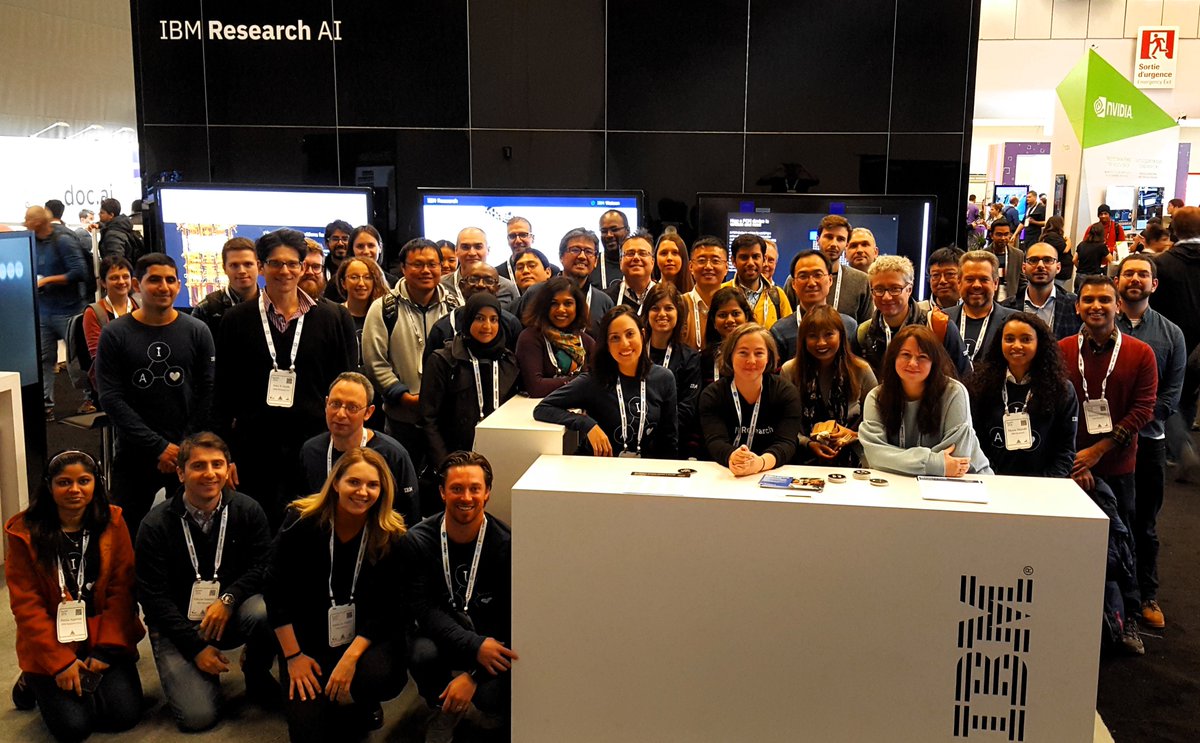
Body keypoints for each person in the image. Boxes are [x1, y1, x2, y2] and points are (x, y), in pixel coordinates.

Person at [214, 229, 358, 526]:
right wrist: (225, 454)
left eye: (292, 263)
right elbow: (224, 393)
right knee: (258, 527)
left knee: (312, 527)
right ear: (263, 266)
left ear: (303, 266)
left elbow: (347, 384)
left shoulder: (332, 318)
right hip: (254, 447)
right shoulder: (236, 320)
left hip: (316, 443)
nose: (285, 271)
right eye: (276, 263)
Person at [136, 433, 277, 732]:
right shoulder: (154, 525)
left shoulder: (248, 510)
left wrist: (229, 599)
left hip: (229, 613)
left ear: (228, 469)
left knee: (264, 610)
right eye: (199, 466)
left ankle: (255, 669)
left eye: (218, 464)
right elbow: (153, 597)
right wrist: (195, 648)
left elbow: (263, 565)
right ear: (180, 472)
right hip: (178, 624)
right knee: (198, 719)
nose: (210, 473)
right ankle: (202, 669)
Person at [270, 447, 409, 742]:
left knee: (377, 676)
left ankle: (359, 697)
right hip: (306, 642)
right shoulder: (300, 521)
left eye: (373, 485)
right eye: (354, 482)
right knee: (308, 734)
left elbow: (389, 607)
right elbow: (276, 591)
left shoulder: (389, 533)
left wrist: (351, 658)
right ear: (335, 483)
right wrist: (294, 656)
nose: (363, 492)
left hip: (362, 639)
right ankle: (333, 696)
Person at [6, 450, 144, 742]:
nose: (75, 490)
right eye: (63, 482)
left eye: (84, 480)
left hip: (102, 633)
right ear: (49, 486)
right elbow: (27, 607)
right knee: (74, 729)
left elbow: (122, 591)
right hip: (52, 640)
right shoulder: (25, 533)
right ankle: (33, 681)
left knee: (123, 716)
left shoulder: (113, 522)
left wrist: (106, 650)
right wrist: (59, 663)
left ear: (97, 483)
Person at [96, 253, 214, 538]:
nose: (164, 287)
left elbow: (207, 391)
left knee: (192, 531)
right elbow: (111, 398)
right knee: (121, 532)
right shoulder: (115, 334)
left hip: (186, 452)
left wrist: (181, 447)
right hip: (135, 451)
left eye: (171, 280)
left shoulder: (197, 330)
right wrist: (158, 446)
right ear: (137, 284)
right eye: (155, 280)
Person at [401, 452, 516, 741]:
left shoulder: (506, 544)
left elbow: (512, 617)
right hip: (444, 632)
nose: (466, 497)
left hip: (492, 641)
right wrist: (471, 645)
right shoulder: (418, 540)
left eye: (475, 488)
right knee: (421, 653)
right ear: (442, 492)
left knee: (492, 697)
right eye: (456, 488)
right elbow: (423, 609)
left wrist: (474, 675)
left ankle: (487, 700)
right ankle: (444, 706)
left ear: (487, 493)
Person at [1115, 255, 1186, 630]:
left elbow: (1171, 398)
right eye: (1129, 273)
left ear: (1153, 285)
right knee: (1110, 518)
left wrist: (1126, 423)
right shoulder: (1099, 324)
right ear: (1117, 280)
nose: (1136, 280)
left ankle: (1147, 594)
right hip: (1105, 444)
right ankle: (1112, 595)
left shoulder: (1172, 334)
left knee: (1144, 522)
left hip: (1147, 441)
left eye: (1143, 274)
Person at [535, 306, 678, 458]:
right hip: (599, 471)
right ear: (607, 345)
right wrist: (587, 424)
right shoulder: (593, 381)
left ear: (642, 335)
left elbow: (669, 439)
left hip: (643, 473)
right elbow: (543, 408)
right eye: (615, 338)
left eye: (630, 334)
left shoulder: (663, 379)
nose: (624, 344)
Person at [364, 238, 460, 464]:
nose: (426, 270)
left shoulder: (456, 306)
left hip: (445, 417)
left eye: (432, 264)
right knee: (402, 480)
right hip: (402, 417)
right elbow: (374, 361)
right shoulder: (384, 308)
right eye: (417, 264)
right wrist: (403, 396)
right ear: (403, 268)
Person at [859, 325, 992, 476]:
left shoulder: (954, 393)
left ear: (934, 362)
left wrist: (894, 461)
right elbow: (874, 455)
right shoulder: (876, 397)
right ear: (893, 358)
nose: (913, 363)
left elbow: (956, 457)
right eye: (906, 355)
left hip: (967, 479)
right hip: (904, 482)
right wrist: (935, 463)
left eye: (922, 357)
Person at [299, 372, 420, 528]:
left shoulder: (392, 455)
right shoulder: (311, 450)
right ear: (326, 404)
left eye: (352, 407)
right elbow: (300, 507)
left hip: (377, 545)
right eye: (335, 404)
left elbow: (409, 520)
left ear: (368, 412)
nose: (341, 414)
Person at [966, 313, 1078, 477]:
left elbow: (1065, 451)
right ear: (1000, 342)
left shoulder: (1062, 390)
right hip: (992, 482)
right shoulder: (980, 385)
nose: (1017, 346)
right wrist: (991, 477)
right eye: (1009, 339)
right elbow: (975, 441)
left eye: (1026, 339)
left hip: (1044, 487)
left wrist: (1044, 484)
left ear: (1040, 343)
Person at [420, 293, 520, 467]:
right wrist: (445, 464)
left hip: (501, 456)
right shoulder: (443, 360)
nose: (487, 326)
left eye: (494, 319)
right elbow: (428, 419)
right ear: (467, 320)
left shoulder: (508, 360)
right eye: (479, 318)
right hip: (453, 458)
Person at [699, 323, 801, 474]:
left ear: (769, 357)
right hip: (725, 473)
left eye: (759, 353)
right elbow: (715, 441)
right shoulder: (712, 395)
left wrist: (759, 463)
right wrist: (733, 457)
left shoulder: (785, 392)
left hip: (771, 472)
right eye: (743, 353)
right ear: (730, 355)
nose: (751, 361)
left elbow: (786, 442)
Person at [782, 306, 877, 467]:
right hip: (800, 462)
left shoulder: (861, 370)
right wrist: (808, 443)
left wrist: (852, 435)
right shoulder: (790, 371)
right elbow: (783, 423)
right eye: (812, 336)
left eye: (829, 334)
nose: (821, 343)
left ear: (841, 335)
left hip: (854, 462)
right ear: (803, 339)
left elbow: (877, 420)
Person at [854, 255, 971, 378]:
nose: (886, 297)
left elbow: (965, 377)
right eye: (879, 289)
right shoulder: (863, 333)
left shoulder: (938, 326)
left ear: (909, 289)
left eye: (895, 289)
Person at [26, 205, 87, 419]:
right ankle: (46, 405)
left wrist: (48, 280)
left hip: (68, 310)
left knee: (77, 357)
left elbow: (80, 272)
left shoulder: (63, 241)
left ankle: (90, 397)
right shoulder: (34, 242)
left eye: (28, 221)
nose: (25, 224)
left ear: (38, 222)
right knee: (45, 358)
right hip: (44, 310)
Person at [512, 228, 614, 338]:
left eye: (589, 252)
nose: (582, 257)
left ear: (596, 261)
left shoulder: (604, 302)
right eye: (575, 250)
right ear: (561, 257)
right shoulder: (536, 293)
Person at [423, 261, 522, 366]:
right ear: (462, 286)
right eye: (473, 279)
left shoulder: (511, 324)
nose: (480, 285)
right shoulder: (444, 327)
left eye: (489, 281)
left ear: (497, 289)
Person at [640, 282, 701, 444]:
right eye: (655, 308)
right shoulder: (634, 352)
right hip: (633, 434)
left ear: (678, 313)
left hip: (671, 442)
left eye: (668, 308)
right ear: (647, 312)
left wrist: (657, 433)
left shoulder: (690, 358)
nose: (662, 314)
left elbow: (687, 408)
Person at [770, 250, 858, 361]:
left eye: (818, 275)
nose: (811, 283)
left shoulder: (848, 326)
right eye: (803, 276)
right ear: (793, 284)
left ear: (830, 280)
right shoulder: (780, 331)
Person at [516, 276, 596, 397]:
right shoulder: (530, 338)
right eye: (554, 303)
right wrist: (582, 380)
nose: (561, 309)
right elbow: (536, 387)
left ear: (577, 307)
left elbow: (598, 381)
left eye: (568, 303)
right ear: (544, 306)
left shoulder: (587, 342)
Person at [787, 214, 872, 323]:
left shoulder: (861, 281)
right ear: (818, 240)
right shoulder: (797, 280)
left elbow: (865, 330)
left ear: (846, 245)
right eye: (829, 237)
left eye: (840, 239)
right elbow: (787, 323)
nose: (833, 244)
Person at [943, 251, 1018, 365]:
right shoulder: (942, 319)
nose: (976, 285)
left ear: (996, 283)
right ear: (959, 282)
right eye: (970, 279)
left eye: (984, 279)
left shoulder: (1014, 321)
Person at [81, 255, 139, 402]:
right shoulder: (94, 312)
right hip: (109, 381)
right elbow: (98, 355)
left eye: (125, 276)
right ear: (103, 283)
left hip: (141, 375)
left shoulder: (140, 306)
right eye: (114, 278)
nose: (121, 282)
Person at [1001, 242, 1079, 341]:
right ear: (1024, 268)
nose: (1040, 265)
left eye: (1048, 260)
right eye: (1033, 260)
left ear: (1058, 267)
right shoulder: (1006, 307)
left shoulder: (1074, 305)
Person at [191, 237, 261, 341]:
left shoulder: (272, 305)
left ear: (259, 266)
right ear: (224, 269)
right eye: (234, 265)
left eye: (248, 264)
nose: (242, 271)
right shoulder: (206, 308)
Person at [722, 233, 791, 329]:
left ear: (763, 259)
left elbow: (788, 334)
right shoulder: (721, 292)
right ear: (733, 261)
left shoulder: (778, 296)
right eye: (744, 257)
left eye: (755, 257)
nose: (750, 263)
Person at [441, 227, 519, 310]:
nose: (472, 253)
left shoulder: (507, 287)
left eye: (478, 247)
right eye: (465, 247)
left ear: (488, 250)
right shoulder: (442, 285)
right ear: (456, 250)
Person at [336, 256, 388, 362]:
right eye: (354, 277)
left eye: (367, 277)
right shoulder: (335, 316)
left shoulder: (385, 316)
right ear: (343, 283)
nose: (361, 283)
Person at [699, 286, 754, 388]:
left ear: (746, 317)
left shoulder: (759, 355)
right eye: (723, 315)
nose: (730, 320)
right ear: (713, 322)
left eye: (735, 314)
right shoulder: (703, 361)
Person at [682, 236, 728, 350]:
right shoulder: (680, 305)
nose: (708, 267)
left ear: (726, 268)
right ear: (691, 267)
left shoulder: (734, 306)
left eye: (715, 261)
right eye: (701, 261)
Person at [606, 232, 658, 312]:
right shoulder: (606, 298)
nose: (636, 258)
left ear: (652, 262)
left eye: (642, 253)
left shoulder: (666, 297)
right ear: (620, 262)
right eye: (630, 253)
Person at [984, 219, 1025, 303]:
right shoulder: (983, 255)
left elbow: (1022, 281)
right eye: (999, 235)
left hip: (1011, 302)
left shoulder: (1018, 255)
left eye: (1006, 234)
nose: (1003, 238)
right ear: (991, 235)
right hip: (989, 300)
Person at [916, 246, 964, 313]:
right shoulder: (917, 311)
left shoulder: (975, 310)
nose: (942, 281)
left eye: (950, 274)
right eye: (936, 275)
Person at [591, 209, 629, 289]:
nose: (609, 235)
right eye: (604, 231)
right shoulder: (591, 264)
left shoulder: (637, 263)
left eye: (614, 230)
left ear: (627, 231)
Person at [321, 220, 353, 301]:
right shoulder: (319, 268)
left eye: (345, 239)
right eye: (335, 239)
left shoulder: (360, 268)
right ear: (326, 243)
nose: (340, 243)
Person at [1038, 215, 1072, 289]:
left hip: (1059, 271)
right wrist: (1069, 241)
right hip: (1058, 273)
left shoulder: (1049, 236)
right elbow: (1065, 249)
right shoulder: (1052, 236)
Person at [496, 216, 535, 281]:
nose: (518, 241)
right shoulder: (497, 274)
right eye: (512, 236)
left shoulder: (552, 271)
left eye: (523, 235)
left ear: (532, 238)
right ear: (508, 240)